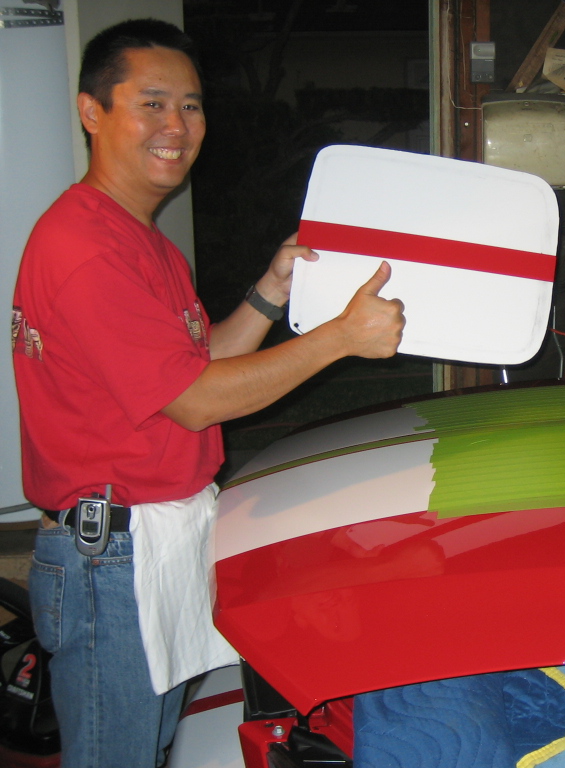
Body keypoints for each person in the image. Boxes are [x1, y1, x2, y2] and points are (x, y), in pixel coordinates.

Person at [10, 18, 405, 768]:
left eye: (190, 105)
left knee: (152, 750)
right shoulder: (85, 247)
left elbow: (196, 365)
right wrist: (338, 339)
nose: (177, 125)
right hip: (112, 563)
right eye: (152, 103)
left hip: (146, 546)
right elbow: (195, 399)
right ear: (92, 111)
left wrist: (270, 290)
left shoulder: (141, 240)